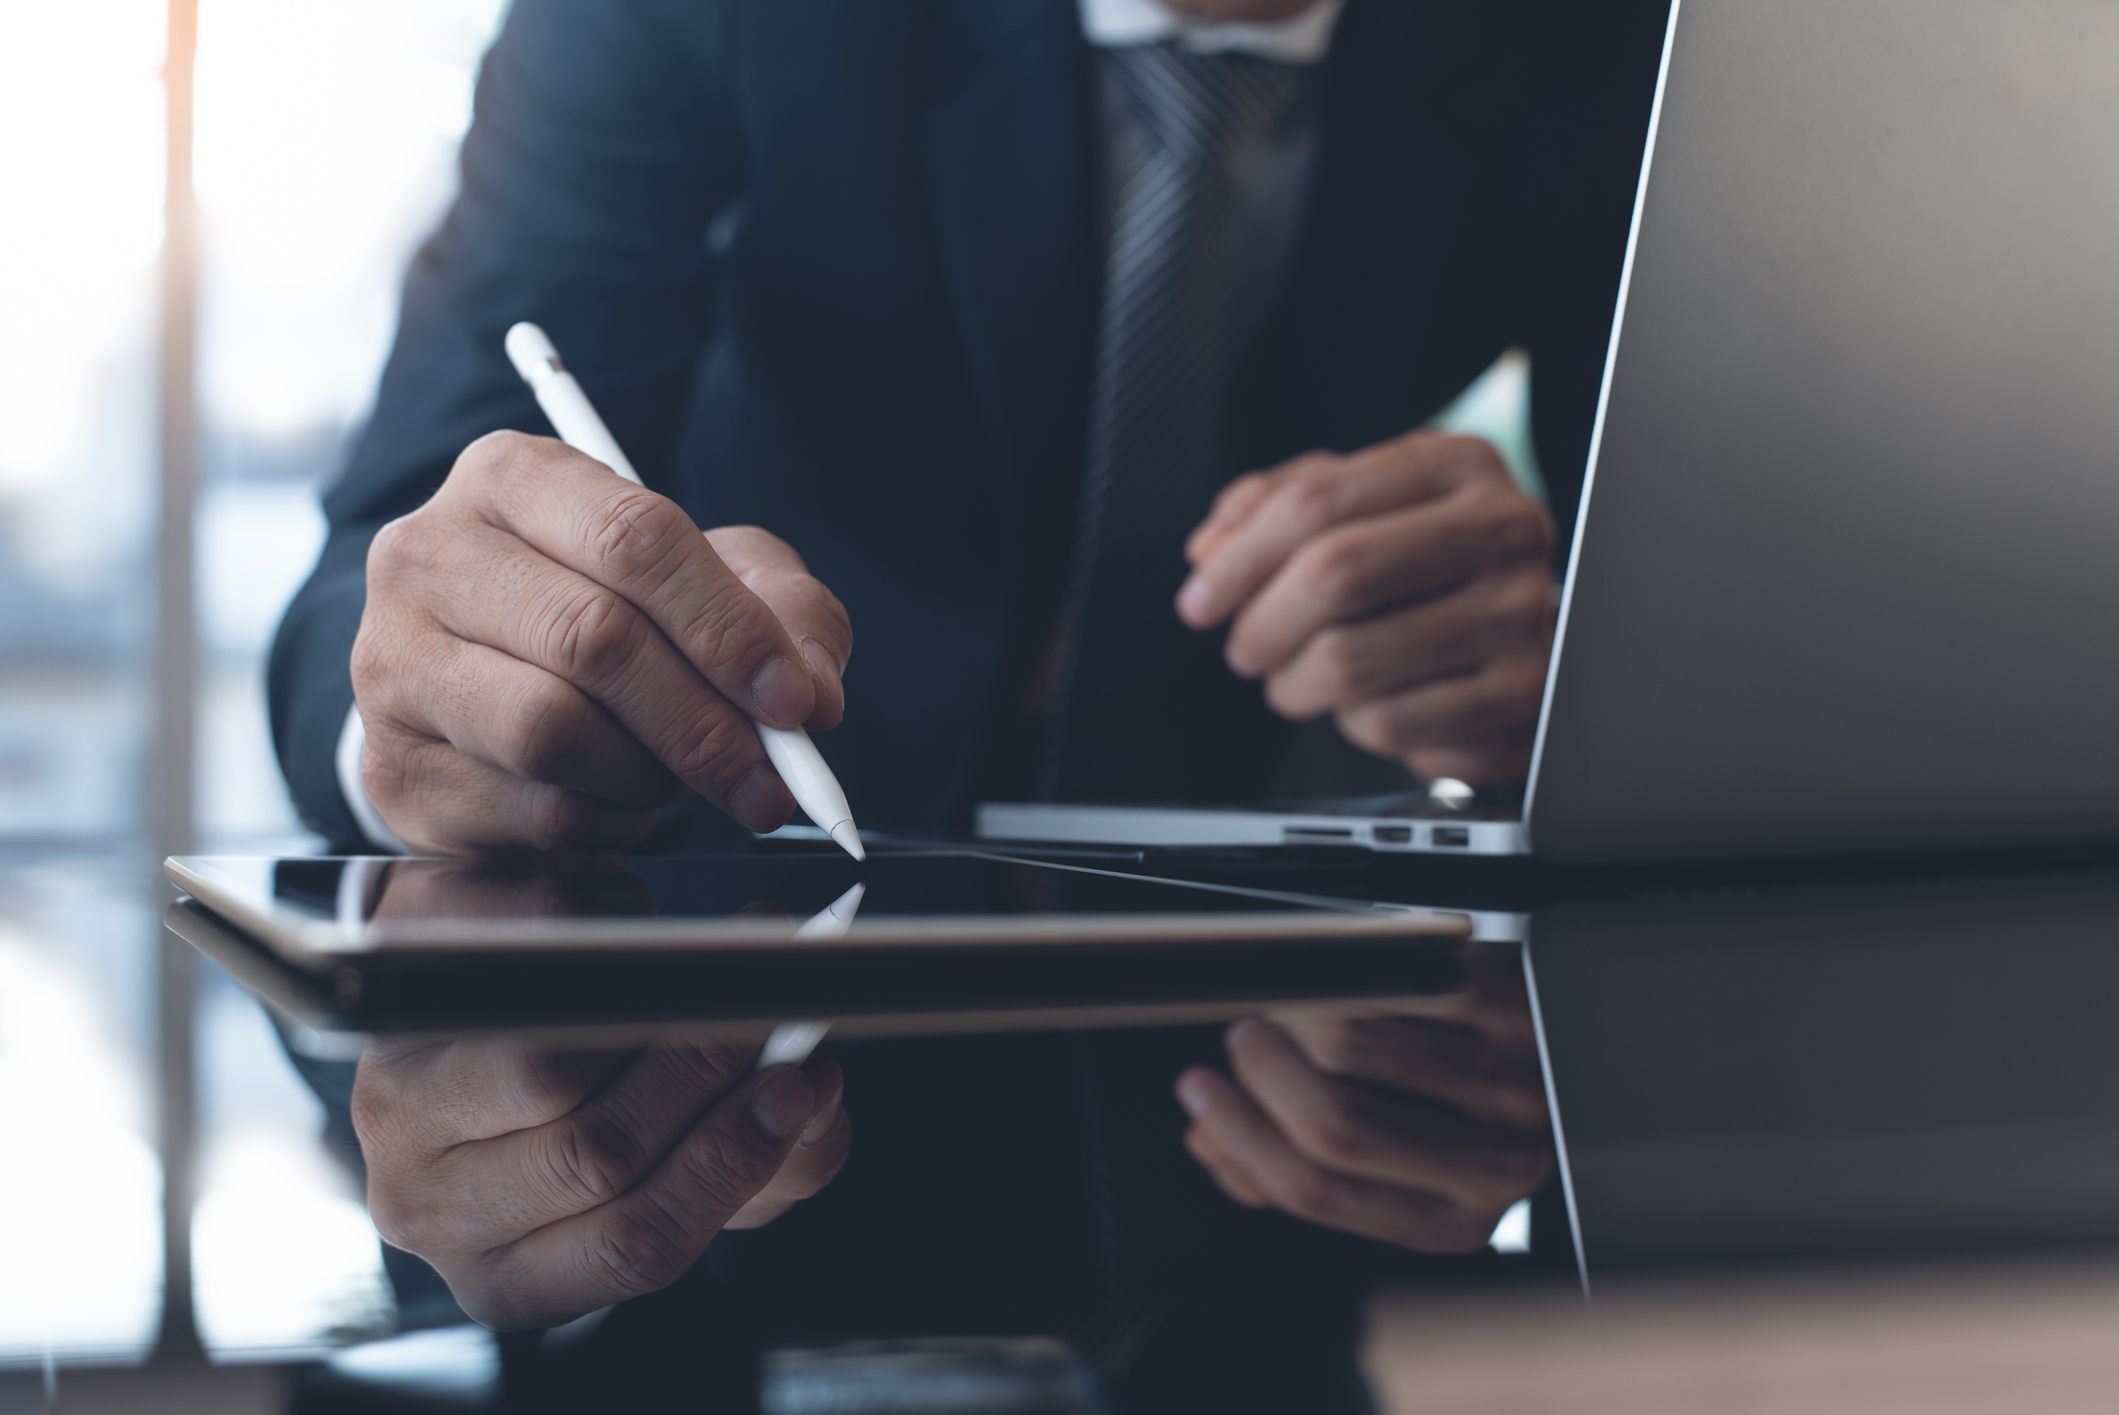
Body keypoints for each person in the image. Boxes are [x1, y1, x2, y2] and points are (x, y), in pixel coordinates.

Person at [268, 0, 1664, 1407]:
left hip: (1291, 1073)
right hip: (714, 1029)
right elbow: (390, 552)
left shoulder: (1622, 47)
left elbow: (1709, 585)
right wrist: (433, 700)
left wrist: (1586, 688)